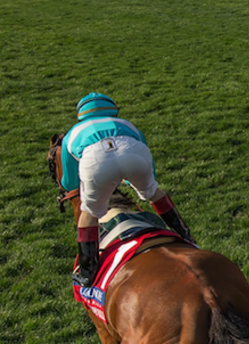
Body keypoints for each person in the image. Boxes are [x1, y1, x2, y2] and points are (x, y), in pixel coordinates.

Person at [60, 93, 191, 288]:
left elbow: (69, 183)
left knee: (90, 211)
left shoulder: (73, 133)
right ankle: (184, 234)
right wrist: (136, 183)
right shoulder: (128, 125)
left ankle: (88, 270)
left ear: (82, 114)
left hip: (96, 160)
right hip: (134, 153)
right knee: (153, 192)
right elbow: (148, 162)